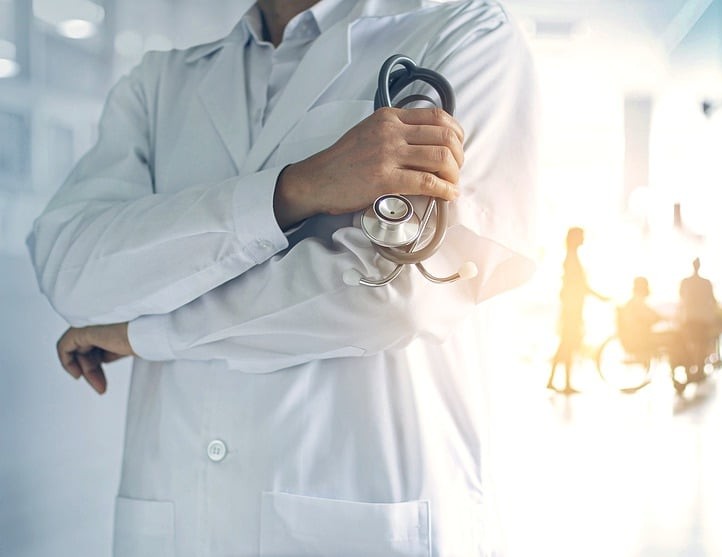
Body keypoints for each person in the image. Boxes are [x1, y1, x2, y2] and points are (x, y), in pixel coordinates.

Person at [26, 1, 537, 554]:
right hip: (176, 520)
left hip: (362, 513)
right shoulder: (159, 82)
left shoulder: (466, 32)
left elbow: (396, 294)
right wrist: (295, 189)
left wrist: (143, 333)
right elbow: (71, 269)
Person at [547, 227, 606, 394]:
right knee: (568, 345)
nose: (584, 239)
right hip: (572, 310)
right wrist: (600, 297)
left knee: (564, 346)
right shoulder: (572, 259)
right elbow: (579, 286)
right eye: (582, 236)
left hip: (571, 309)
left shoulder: (571, 258)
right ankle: (565, 383)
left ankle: (553, 380)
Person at [676, 258, 721, 377]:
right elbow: (712, 301)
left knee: (692, 343)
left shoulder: (686, 282)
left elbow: (681, 299)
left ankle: (692, 367)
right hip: (702, 319)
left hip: (690, 319)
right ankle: (698, 368)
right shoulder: (706, 283)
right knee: (701, 344)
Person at [617, 277, 663, 358]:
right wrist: (659, 317)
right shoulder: (637, 303)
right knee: (674, 339)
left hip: (636, 337)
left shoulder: (633, 303)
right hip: (641, 339)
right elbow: (649, 316)